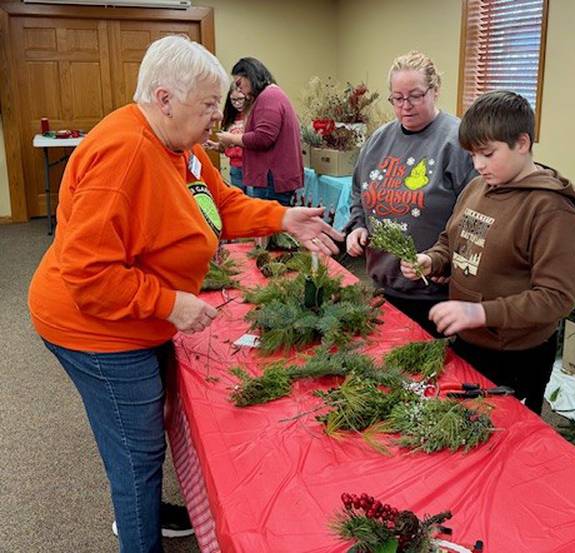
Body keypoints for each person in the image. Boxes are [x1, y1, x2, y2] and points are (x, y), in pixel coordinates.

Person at [27, 35, 342, 553]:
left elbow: (220, 204)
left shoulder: (181, 145)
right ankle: (139, 530)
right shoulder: (123, 155)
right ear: (164, 97)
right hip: (93, 330)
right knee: (137, 453)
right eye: (207, 106)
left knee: (146, 432)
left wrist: (282, 216)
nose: (216, 119)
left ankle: (147, 508)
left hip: (128, 318)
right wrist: (171, 304)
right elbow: (90, 276)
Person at [400, 91, 575, 414]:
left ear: (523, 143)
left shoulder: (551, 210)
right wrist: (431, 260)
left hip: (517, 356)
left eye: (487, 153)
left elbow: (556, 297)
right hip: (469, 343)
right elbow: (450, 240)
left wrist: (481, 312)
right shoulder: (476, 188)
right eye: (472, 155)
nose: (478, 165)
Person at [345, 51, 476, 337]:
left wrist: (448, 261)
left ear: (435, 90)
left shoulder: (457, 142)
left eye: (415, 96)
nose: (405, 106)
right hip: (383, 283)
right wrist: (358, 226)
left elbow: (474, 216)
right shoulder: (378, 140)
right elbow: (359, 191)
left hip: (434, 293)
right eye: (397, 98)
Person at [216, 57, 303, 205]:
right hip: (274, 178)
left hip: (271, 179)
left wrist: (232, 139)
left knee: (268, 226)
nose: (239, 89)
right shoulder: (272, 94)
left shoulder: (268, 96)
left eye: (239, 83)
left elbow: (263, 138)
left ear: (250, 76)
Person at [206, 86, 249, 191]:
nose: (237, 103)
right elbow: (225, 148)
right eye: (234, 100)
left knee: (253, 200)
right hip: (235, 167)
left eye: (240, 99)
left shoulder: (253, 115)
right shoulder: (229, 118)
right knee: (239, 199)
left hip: (251, 167)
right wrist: (216, 146)